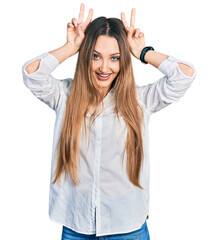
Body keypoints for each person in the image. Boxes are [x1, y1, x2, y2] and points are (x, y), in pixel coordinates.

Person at [21, 3, 196, 240]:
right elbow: (32, 74)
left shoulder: (140, 100)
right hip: (77, 227)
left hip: (128, 228)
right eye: (95, 56)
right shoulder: (64, 95)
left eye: (115, 58)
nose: (105, 67)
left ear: (123, 61)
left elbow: (184, 76)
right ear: (86, 57)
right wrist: (71, 46)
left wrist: (143, 52)